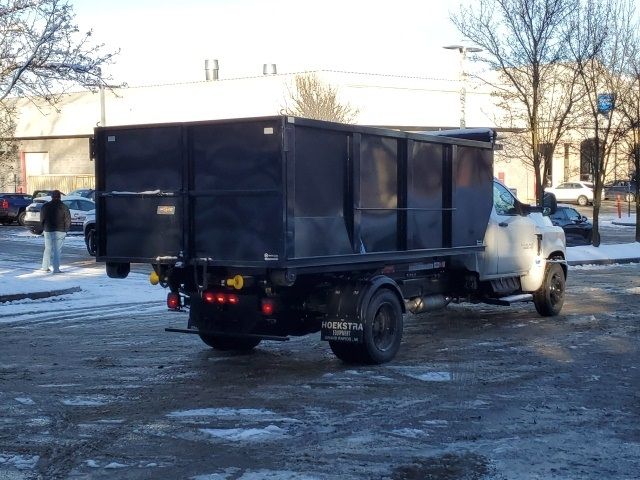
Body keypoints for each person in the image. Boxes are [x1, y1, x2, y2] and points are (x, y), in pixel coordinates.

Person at [40, 190, 71, 273]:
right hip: (60, 230)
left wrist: (44, 227)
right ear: (60, 197)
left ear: (51, 197)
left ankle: (45, 267)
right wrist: (66, 230)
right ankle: (56, 269)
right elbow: (67, 220)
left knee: (48, 248)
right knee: (57, 251)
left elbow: (42, 218)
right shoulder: (64, 207)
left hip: (48, 229)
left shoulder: (45, 206)